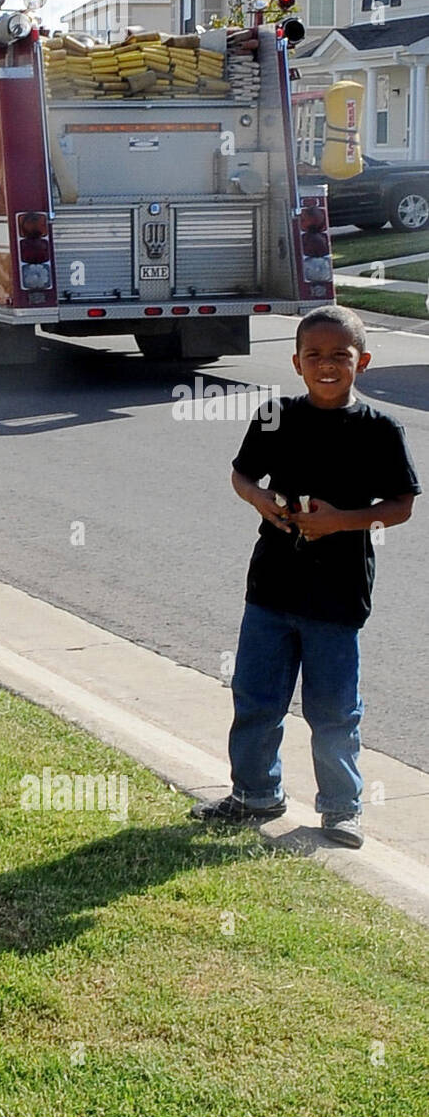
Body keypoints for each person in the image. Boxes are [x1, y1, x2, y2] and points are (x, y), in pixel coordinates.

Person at [192, 306, 419, 849]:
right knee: (256, 699)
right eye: (314, 355)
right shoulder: (275, 416)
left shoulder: (380, 429)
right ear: (295, 362)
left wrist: (341, 521)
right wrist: (261, 500)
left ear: (361, 362)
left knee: (335, 711)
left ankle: (341, 809)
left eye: (339, 356)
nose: (326, 365)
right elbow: (241, 474)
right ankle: (254, 793)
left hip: (337, 599)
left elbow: (402, 505)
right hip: (271, 588)